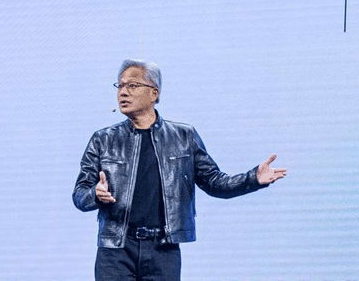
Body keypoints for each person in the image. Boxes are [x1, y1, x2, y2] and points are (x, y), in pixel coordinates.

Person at [73, 59, 287, 281]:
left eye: (132, 86)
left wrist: (253, 178)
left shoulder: (184, 136)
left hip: (163, 250)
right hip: (115, 251)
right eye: (120, 86)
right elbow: (79, 194)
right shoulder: (103, 140)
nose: (123, 92)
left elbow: (215, 183)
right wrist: (95, 194)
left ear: (154, 93)